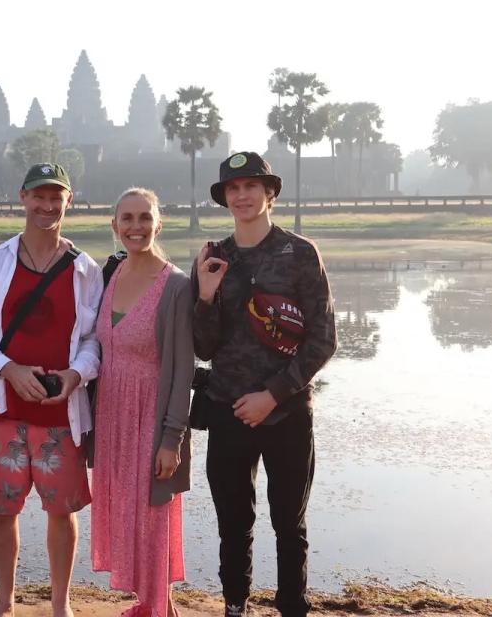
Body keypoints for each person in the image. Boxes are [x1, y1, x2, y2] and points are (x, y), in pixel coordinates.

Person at [192, 152, 337, 617]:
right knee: (234, 523)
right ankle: (235, 604)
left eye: (252, 186)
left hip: (287, 412)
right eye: (233, 189)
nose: (243, 195)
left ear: (270, 193)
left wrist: (273, 394)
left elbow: (323, 339)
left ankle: (292, 606)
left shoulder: (299, 253)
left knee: (289, 523)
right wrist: (206, 294)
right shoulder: (216, 257)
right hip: (227, 408)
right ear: (225, 199)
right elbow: (205, 346)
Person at [0, 163, 102, 617]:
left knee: (62, 512)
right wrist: (9, 369)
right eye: (38, 196)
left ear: (68, 201)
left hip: (60, 412)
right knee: (3, 512)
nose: (46, 206)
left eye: (55, 197)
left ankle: (60, 604)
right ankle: (5, 602)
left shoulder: (85, 269)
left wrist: (75, 375)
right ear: (23, 197)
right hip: (2, 410)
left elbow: (93, 340)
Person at [90, 188, 193, 617]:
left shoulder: (175, 287)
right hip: (112, 415)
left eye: (144, 218)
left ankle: (158, 607)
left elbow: (183, 370)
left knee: (153, 515)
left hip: (152, 417)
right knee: (128, 515)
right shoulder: (110, 274)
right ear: (115, 226)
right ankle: (154, 604)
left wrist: (172, 438)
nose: (136, 227)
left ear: (158, 223)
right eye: (127, 218)